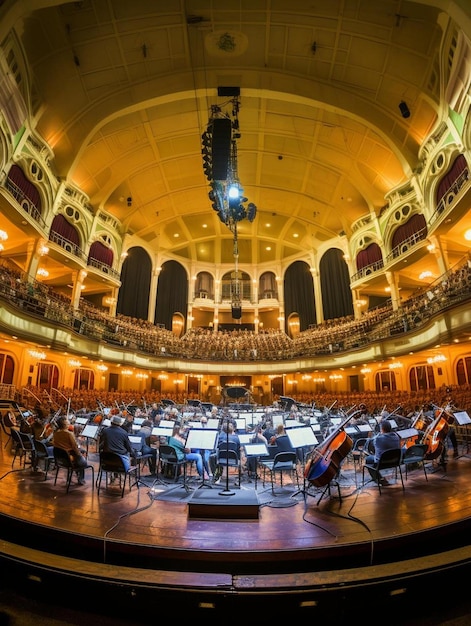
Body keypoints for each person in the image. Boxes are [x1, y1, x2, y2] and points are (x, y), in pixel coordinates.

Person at [364, 419, 401, 486]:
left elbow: (372, 444)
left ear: (382, 429)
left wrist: (379, 433)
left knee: (368, 459)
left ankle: (378, 479)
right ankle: (379, 479)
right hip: (395, 461)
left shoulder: (378, 439)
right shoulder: (396, 437)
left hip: (382, 463)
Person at [52, 415, 88, 485]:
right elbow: (75, 447)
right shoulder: (69, 434)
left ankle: (72, 477)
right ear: (64, 424)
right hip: (69, 458)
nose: (69, 424)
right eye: (68, 423)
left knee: (78, 457)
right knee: (82, 462)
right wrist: (80, 455)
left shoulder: (55, 433)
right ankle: (81, 479)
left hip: (60, 459)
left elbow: (54, 443)